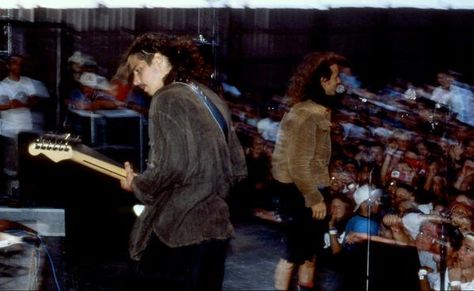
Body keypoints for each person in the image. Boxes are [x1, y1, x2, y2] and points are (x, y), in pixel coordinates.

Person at [119, 32, 247, 291]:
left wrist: (137, 185)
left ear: (158, 60)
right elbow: (238, 167)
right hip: (217, 231)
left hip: (179, 234)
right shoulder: (210, 97)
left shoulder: (166, 98)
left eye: (138, 70)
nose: (135, 80)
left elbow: (171, 167)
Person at [271, 51, 347, 291]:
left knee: (309, 255)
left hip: (310, 189)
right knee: (291, 256)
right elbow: (297, 163)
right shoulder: (307, 115)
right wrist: (314, 198)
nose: (339, 82)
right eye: (335, 77)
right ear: (323, 81)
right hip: (300, 193)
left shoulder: (317, 110)